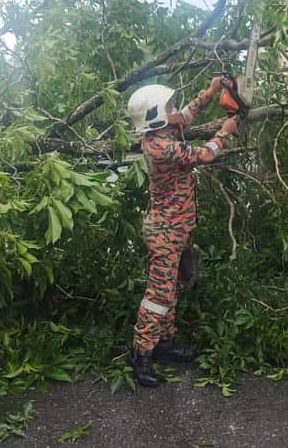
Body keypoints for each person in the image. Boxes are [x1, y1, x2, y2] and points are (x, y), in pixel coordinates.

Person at [126, 76, 239, 387]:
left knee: (171, 291)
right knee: (158, 296)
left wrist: (213, 90)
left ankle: (165, 344)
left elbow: (187, 113)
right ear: (154, 115)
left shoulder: (164, 129)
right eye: (168, 106)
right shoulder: (159, 145)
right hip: (165, 231)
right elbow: (202, 156)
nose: (175, 110)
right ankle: (141, 354)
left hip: (177, 227)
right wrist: (223, 133)